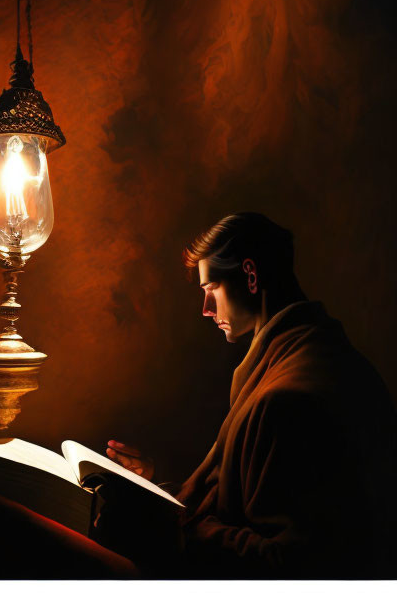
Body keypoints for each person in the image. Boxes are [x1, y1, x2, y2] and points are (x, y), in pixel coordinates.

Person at [106, 212, 397, 579]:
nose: (205, 309)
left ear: (250, 275)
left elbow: (291, 566)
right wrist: (154, 491)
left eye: (210, 288)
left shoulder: (288, 398)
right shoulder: (317, 354)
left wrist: (171, 527)